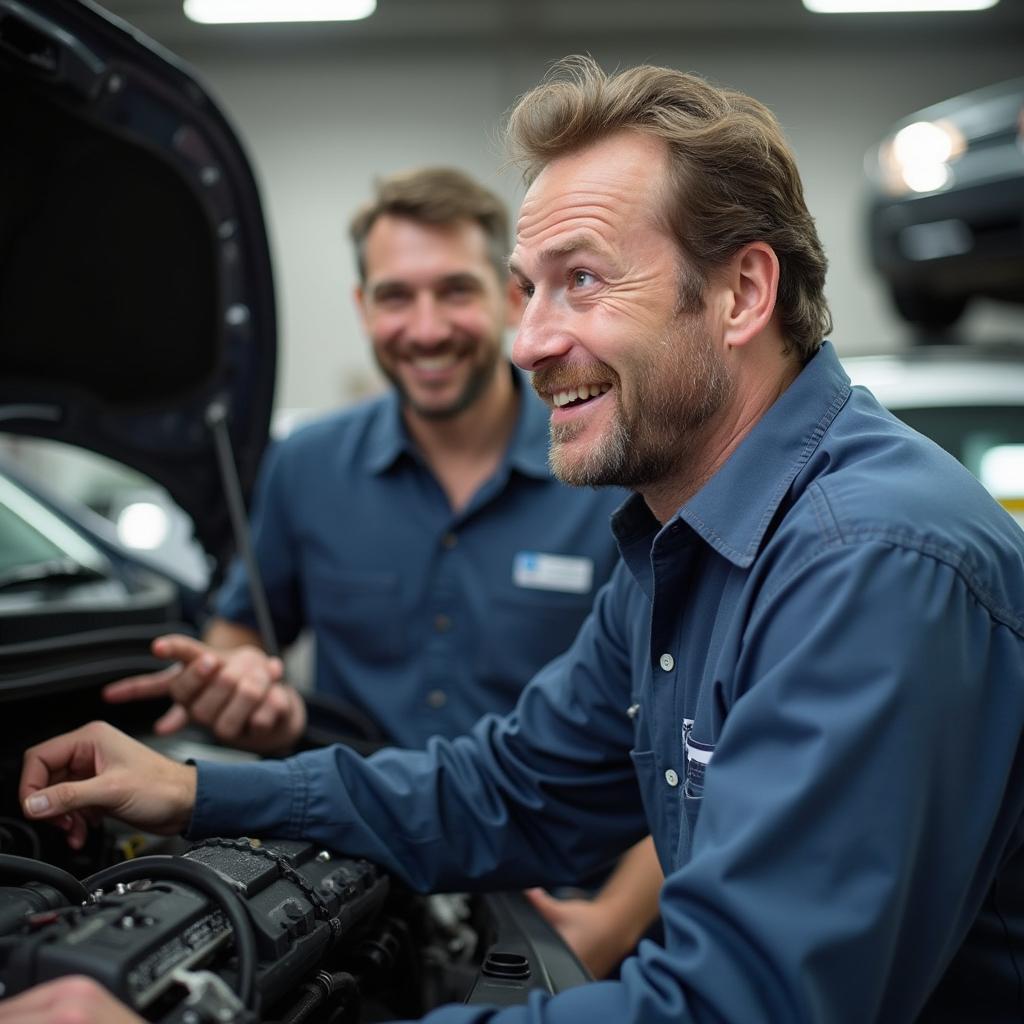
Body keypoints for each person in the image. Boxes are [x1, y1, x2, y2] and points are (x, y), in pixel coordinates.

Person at [17, 56, 1024, 1024]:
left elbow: (732, 1009)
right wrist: (192, 789)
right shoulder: (683, 538)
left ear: (742, 295)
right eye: (527, 287)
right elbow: (510, 790)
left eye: (582, 281)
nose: (529, 341)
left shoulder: (869, 565)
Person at [99, 166, 660, 979]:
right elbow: (241, 629)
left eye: (454, 292)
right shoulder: (307, 468)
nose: (426, 329)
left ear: (510, 298)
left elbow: (675, 741)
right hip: (353, 892)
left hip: (561, 914)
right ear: (364, 308)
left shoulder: (607, 466)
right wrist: (236, 677)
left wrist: (608, 926)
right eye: (396, 297)